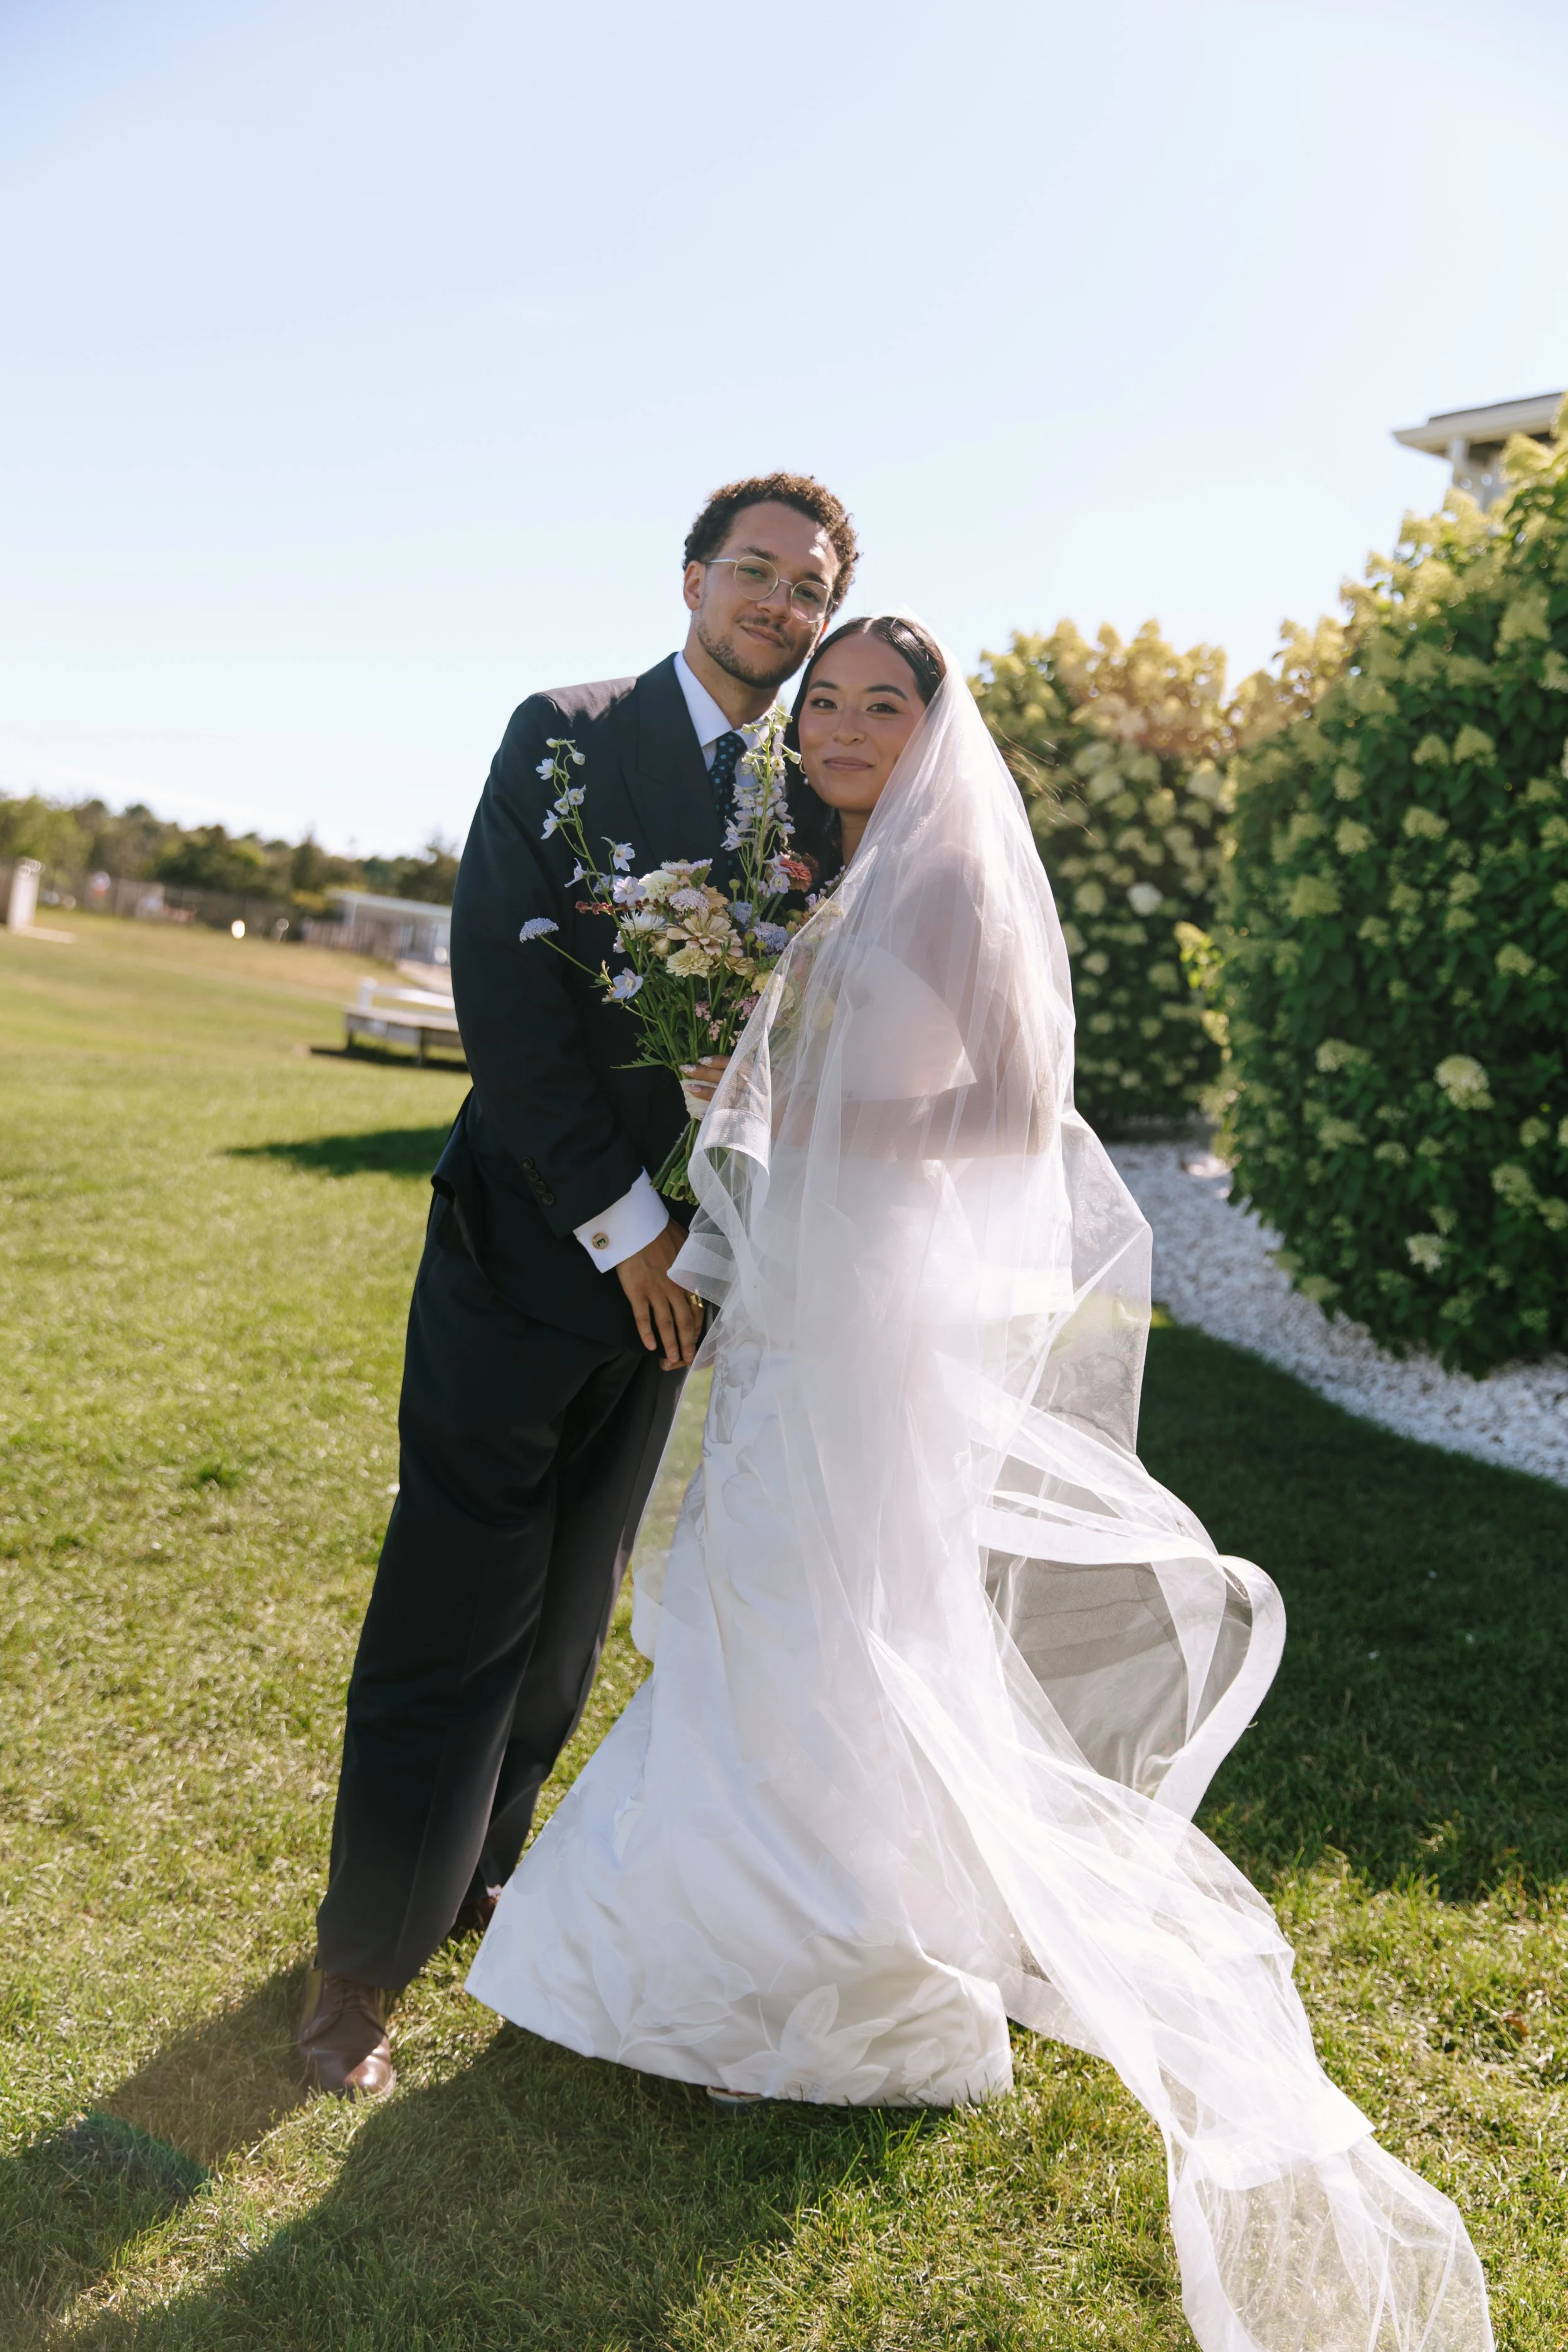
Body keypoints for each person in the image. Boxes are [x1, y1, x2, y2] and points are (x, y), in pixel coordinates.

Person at [468, 617, 1493, 2350]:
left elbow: (1018, 1108)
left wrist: (796, 1129)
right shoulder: (824, 880)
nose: (848, 724)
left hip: (875, 1317)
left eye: (884, 703)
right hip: (811, 1300)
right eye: (828, 703)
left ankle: (817, 1991)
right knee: (774, 1599)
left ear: (932, 735)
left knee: (825, 1609)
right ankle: (732, 1960)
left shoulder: (939, 885)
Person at [296, 474, 859, 2099]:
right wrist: (629, 1226)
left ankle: (486, 1890)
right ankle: (355, 1973)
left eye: (803, 584)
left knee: (563, 1627)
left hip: (695, 1294)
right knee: (453, 1614)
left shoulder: (811, 799)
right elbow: (505, 987)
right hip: (537, 1255)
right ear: (692, 579)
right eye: (751, 569)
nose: (774, 600)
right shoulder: (561, 730)